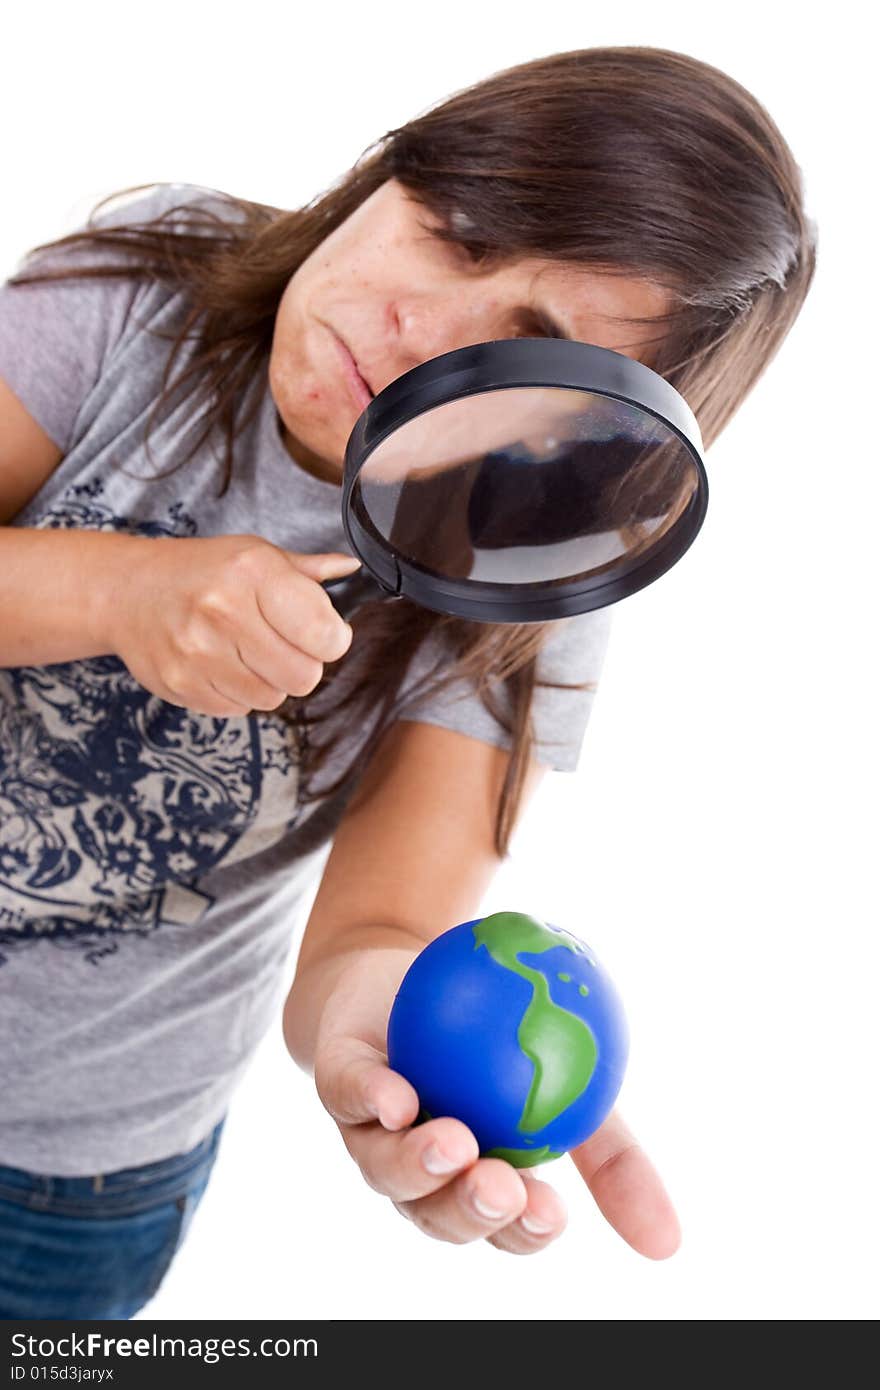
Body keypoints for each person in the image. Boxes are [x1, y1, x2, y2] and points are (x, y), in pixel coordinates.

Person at [0, 45, 816, 1319]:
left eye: (524, 349)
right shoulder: (139, 287)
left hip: (72, 1177)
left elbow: (375, 933)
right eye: (451, 231)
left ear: (570, 439)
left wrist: (374, 1022)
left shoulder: (521, 596)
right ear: (392, 170)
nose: (413, 327)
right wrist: (117, 594)